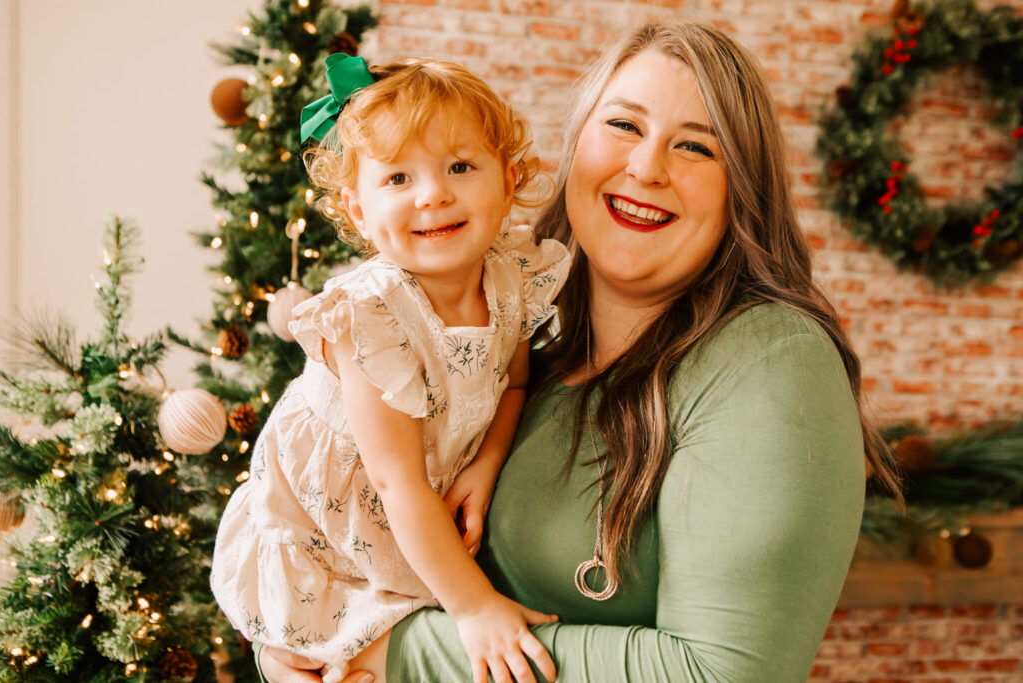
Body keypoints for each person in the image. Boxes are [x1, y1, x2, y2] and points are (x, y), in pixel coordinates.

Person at [260, 22, 902, 683]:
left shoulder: (773, 361)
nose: (647, 168)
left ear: (742, 189)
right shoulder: (526, 336)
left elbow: (726, 672)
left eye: (694, 147)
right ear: (575, 147)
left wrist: (388, 652)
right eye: (624, 127)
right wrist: (293, 649)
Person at [211, 54, 572, 683]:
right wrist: (476, 607)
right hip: (333, 505)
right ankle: (282, 655)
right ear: (356, 209)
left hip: (407, 498)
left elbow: (515, 382)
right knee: (335, 645)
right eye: (398, 178)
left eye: (460, 167)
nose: (433, 193)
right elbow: (397, 483)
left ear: (509, 181)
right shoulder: (369, 315)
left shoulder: (513, 277)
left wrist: (486, 465)